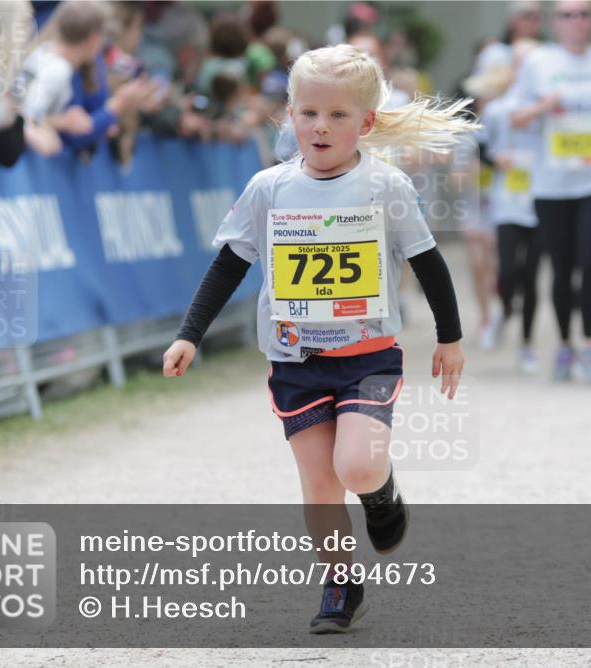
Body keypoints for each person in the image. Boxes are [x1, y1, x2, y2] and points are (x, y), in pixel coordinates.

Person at [161, 44, 475, 633]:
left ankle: (381, 495)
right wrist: (189, 335)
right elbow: (230, 263)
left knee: (357, 468)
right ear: (289, 115)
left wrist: (449, 338)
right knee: (321, 484)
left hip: (367, 357)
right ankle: (340, 585)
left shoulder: (386, 186)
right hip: (295, 359)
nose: (320, 127)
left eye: (337, 115)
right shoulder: (268, 188)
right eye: (308, 113)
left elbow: (428, 260)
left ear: (367, 122)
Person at [509, 0, 591, 382]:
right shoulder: (538, 62)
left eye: (583, 13)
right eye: (567, 15)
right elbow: (514, 116)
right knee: (560, 267)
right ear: (554, 23)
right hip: (551, 183)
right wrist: (542, 107)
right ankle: (565, 345)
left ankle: (590, 347)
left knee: (590, 259)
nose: (576, 21)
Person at [475, 39, 542, 371]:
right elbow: (481, 148)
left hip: (543, 201)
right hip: (507, 204)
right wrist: (494, 159)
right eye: (521, 61)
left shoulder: (548, 106)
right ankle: (503, 310)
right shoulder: (499, 108)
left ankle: (527, 345)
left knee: (531, 277)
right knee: (508, 269)